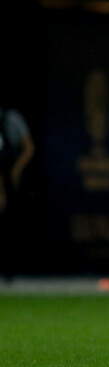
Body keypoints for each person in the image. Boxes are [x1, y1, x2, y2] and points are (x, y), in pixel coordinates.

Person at [0, 106, 35, 281]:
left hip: (10, 180)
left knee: (9, 226)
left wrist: (16, 170)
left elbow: (29, 147)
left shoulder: (10, 119)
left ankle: (9, 271)